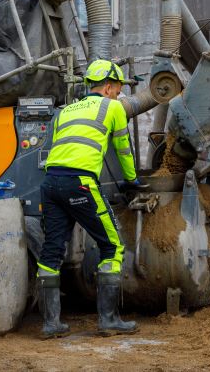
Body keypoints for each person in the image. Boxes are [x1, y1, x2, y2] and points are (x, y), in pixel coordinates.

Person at [36, 59, 145, 338]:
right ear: (108, 87)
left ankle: (51, 324)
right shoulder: (113, 108)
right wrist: (132, 181)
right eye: (118, 90)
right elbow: (123, 148)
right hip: (80, 182)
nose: (119, 95)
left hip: (50, 184)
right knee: (113, 246)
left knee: (51, 251)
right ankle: (108, 320)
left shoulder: (64, 111)